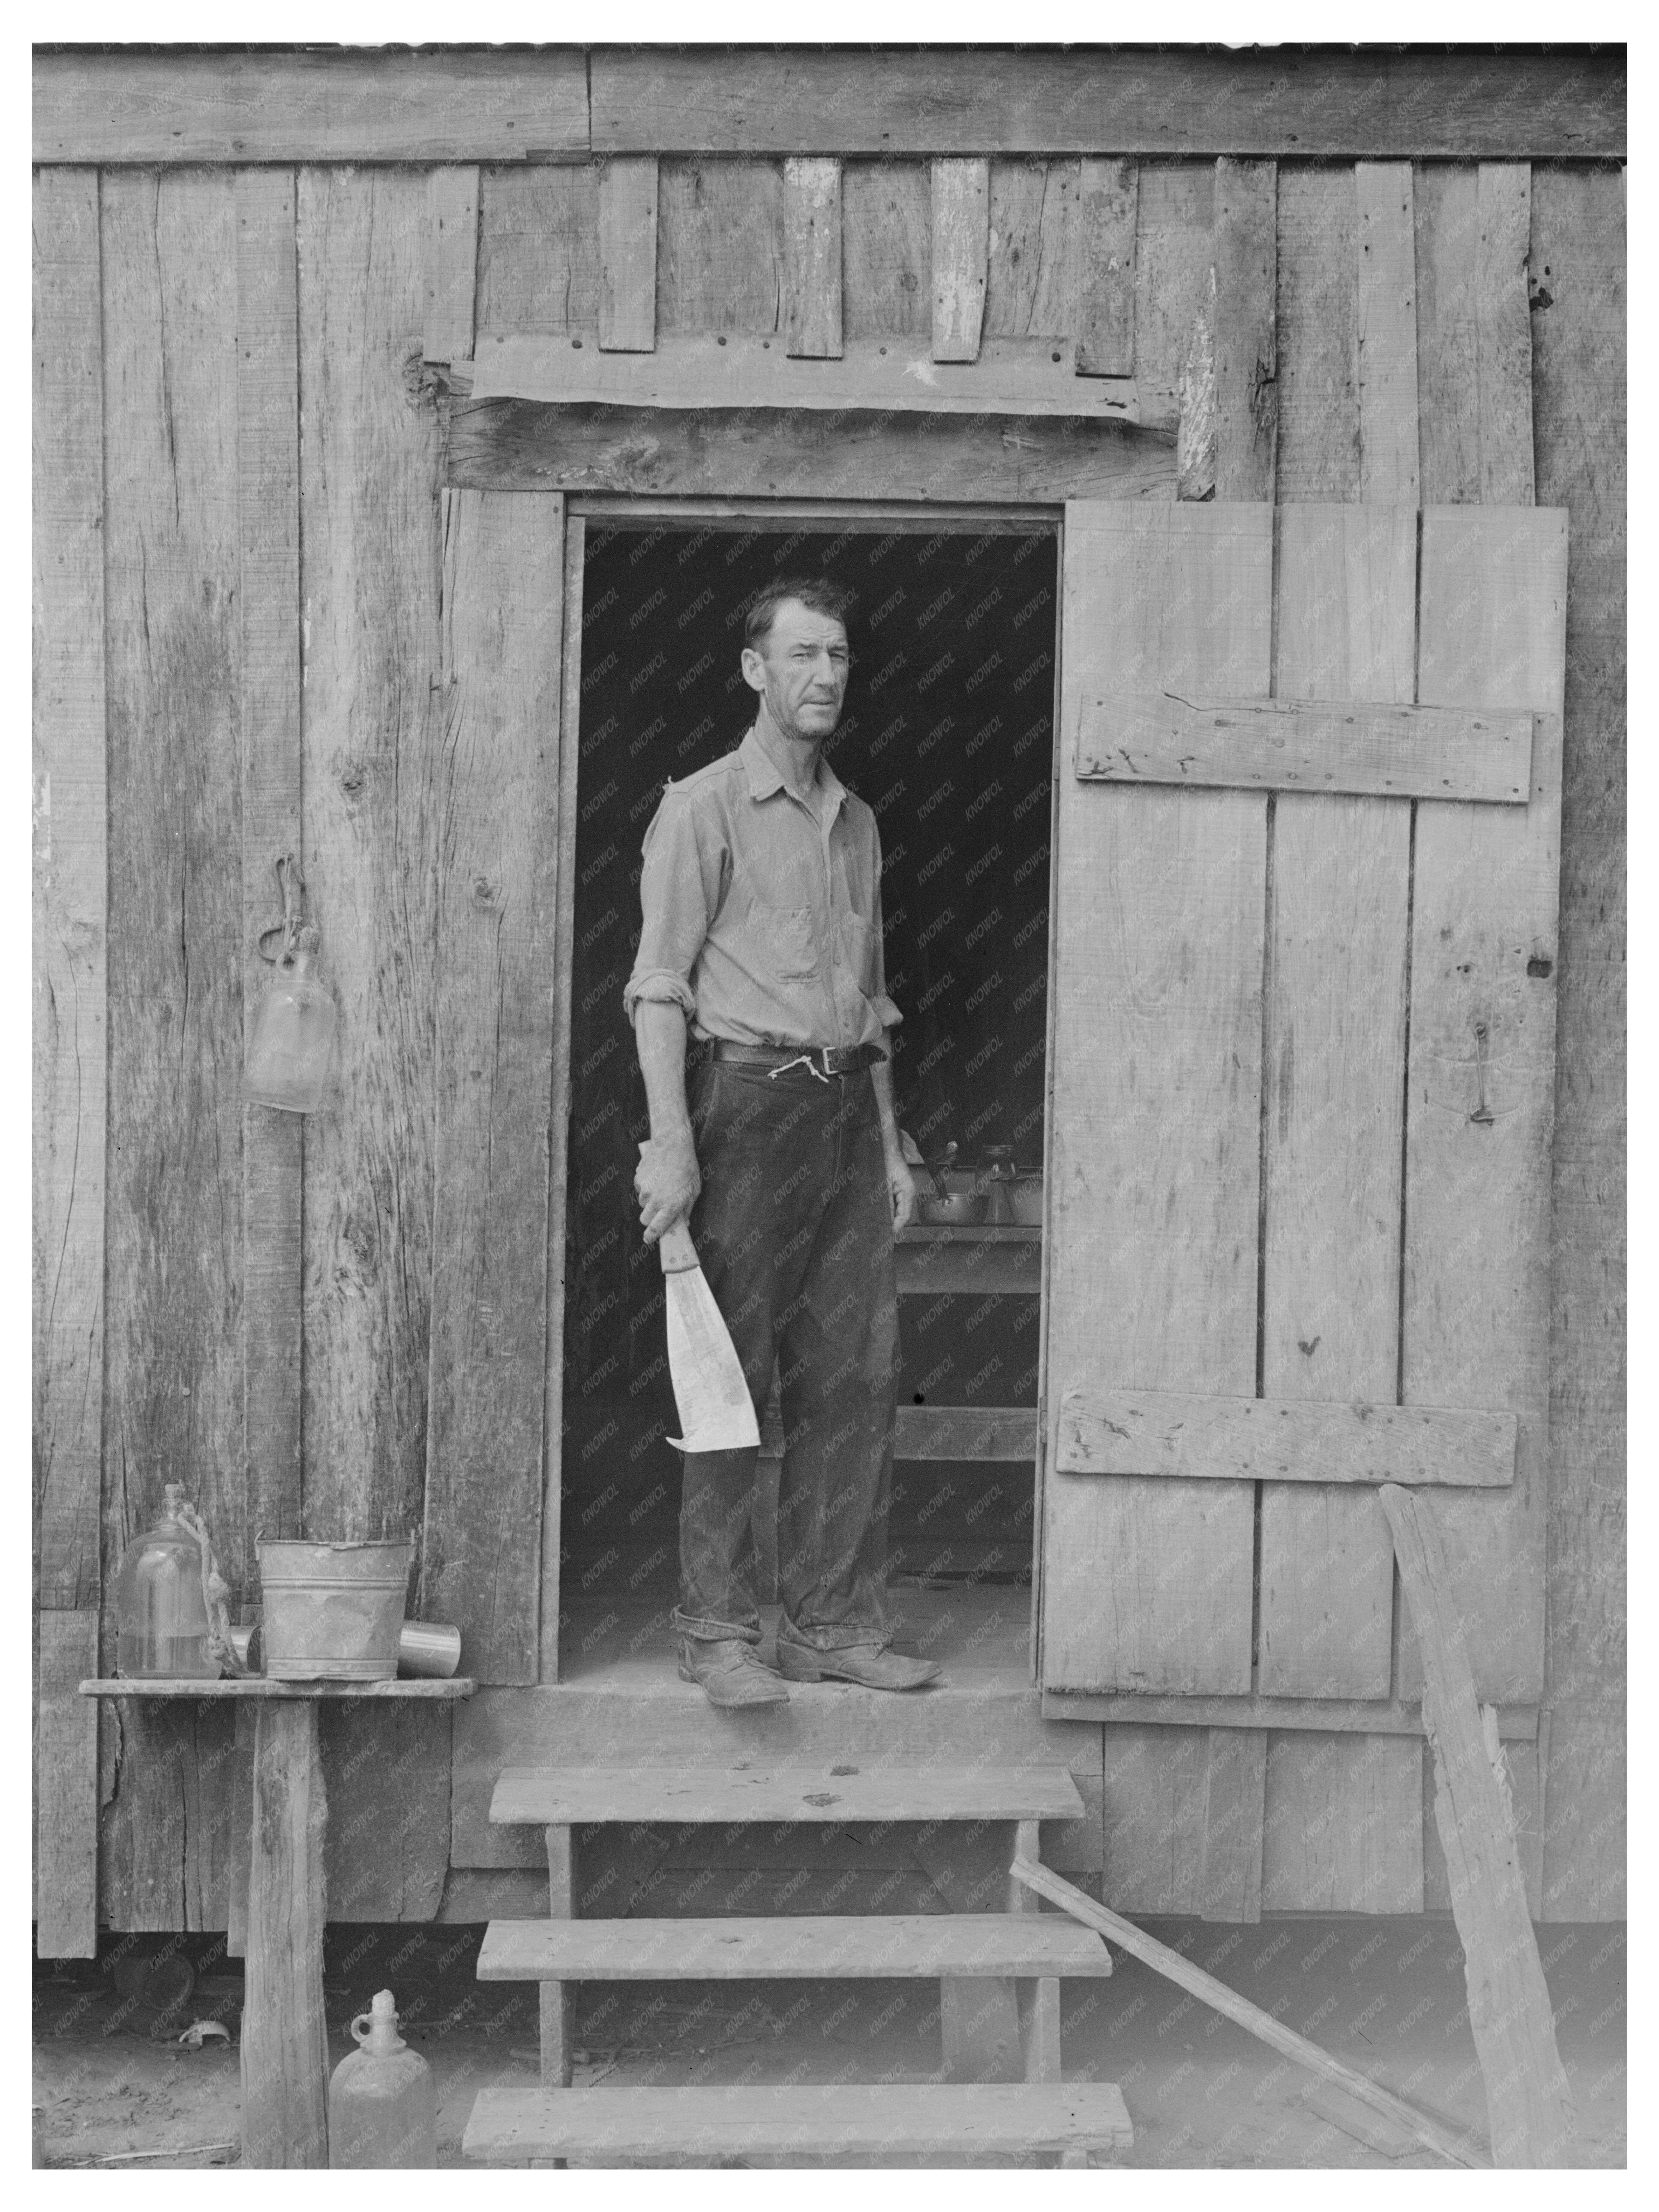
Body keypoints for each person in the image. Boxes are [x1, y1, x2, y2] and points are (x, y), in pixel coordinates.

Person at [623, 576, 942, 1709]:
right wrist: (672, 1146)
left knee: (854, 1375)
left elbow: (871, 1002)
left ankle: (829, 1626)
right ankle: (716, 1631)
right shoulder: (700, 808)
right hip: (746, 1108)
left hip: (845, 1113)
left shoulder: (858, 822)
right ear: (755, 670)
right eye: (802, 655)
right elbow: (658, 990)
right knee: (728, 1372)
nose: (825, 676)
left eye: (838, 657)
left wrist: (890, 1145)